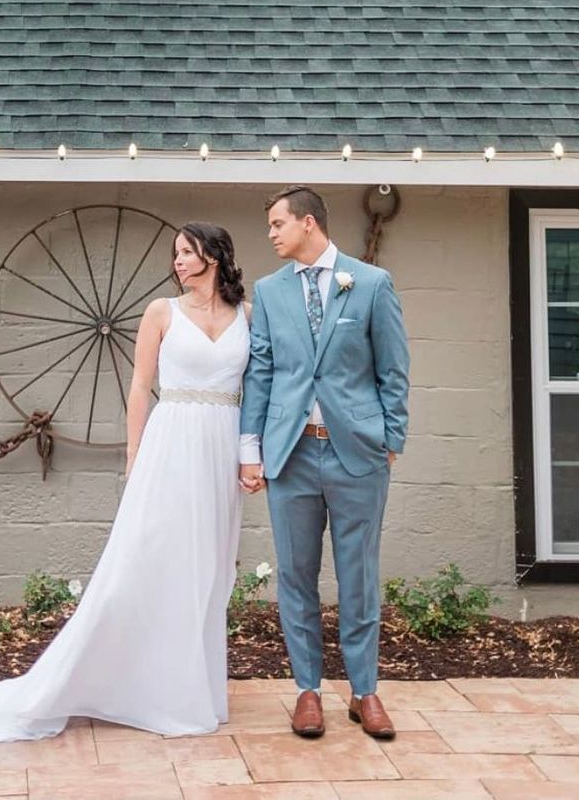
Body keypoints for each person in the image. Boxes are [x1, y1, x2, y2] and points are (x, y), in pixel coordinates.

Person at [0, 222, 250, 746]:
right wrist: (136, 458)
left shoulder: (246, 315)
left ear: (213, 257)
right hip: (170, 447)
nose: (177, 261)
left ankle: (196, 689)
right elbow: (139, 387)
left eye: (186, 252)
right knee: (152, 562)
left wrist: (249, 454)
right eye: (174, 253)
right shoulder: (161, 313)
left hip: (221, 448)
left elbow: (259, 388)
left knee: (210, 568)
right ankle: (134, 687)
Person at [239, 186, 409, 741]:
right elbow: (260, 374)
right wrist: (252, 449)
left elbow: (393, 369)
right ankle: (307, 691)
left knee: (359, 577)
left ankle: (365, 692)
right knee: (295, 576)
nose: (270, 234)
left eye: (276, 223)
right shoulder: (268, 292)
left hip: (356, 453)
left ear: (308, 224)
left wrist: (391, 437)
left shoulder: (370, 284)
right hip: (291, 454)